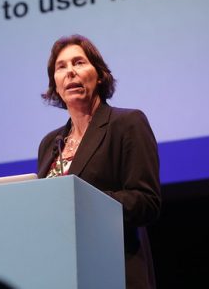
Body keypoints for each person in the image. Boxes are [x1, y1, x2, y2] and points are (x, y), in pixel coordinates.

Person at [37, 34, 161, 289]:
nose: (70, 72)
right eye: (61, 67)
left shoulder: (127, 124)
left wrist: (83, 202)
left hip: (114, 271)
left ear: (100, 74)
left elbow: (146, 201)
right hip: (62, 275)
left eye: (79, 62)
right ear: (55, 84)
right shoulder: (50, 144)